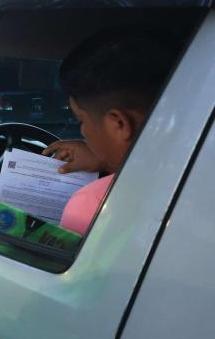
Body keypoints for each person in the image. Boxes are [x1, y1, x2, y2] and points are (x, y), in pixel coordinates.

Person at [42, 28, 180, 235]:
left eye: (81, 120)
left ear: (118, 124)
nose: (83, 132)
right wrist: (107, 162)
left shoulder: (92, 205)